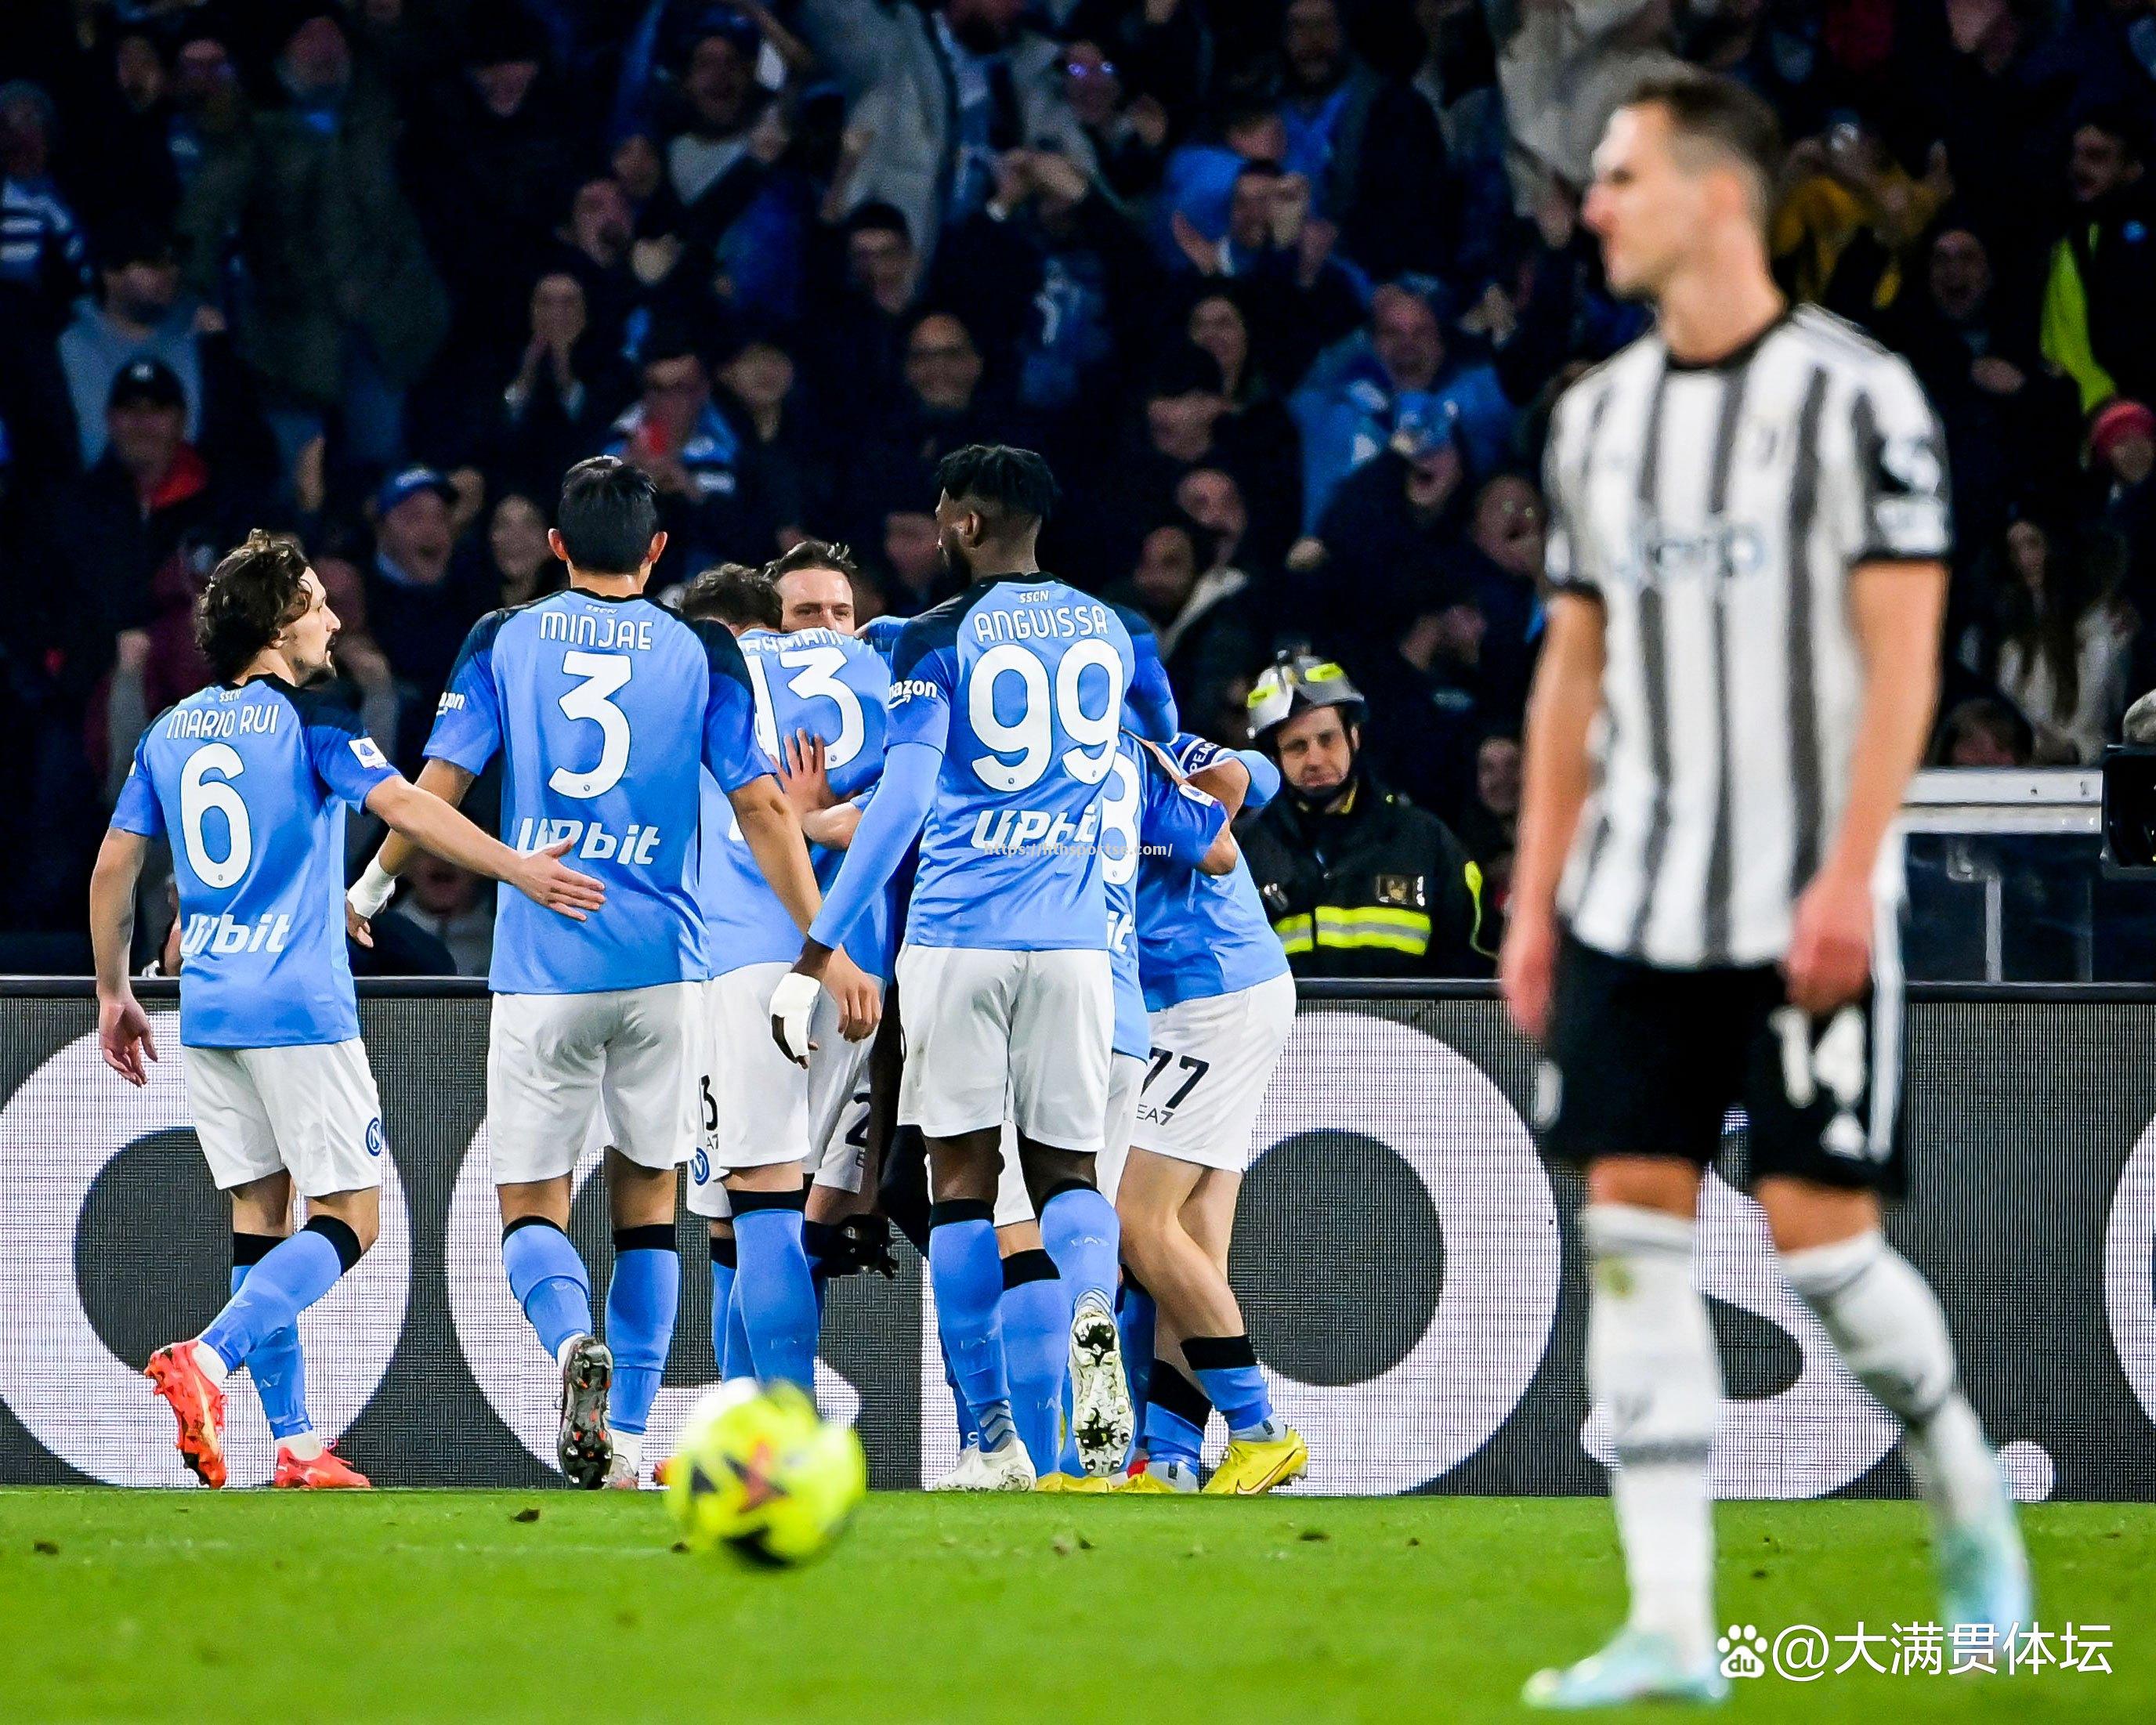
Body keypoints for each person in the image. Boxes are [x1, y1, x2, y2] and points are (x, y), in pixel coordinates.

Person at [1500, 73, 2030, 1707]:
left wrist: (1847, 871)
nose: (1590, 204)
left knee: (1818, 1248)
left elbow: (1898, 659)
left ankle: (1960, 1500)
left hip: (1796, 891)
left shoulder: (1853, 397)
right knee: (1629, 1240)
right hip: (1631, 895)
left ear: (1713, 198)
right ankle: (1668, 1627)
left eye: (1617, 176)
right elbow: (1568, 672)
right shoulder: (1598, 417)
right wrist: (1533, 899)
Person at [346, 458, 878, 1488]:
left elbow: (436, 785)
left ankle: (567, 1348)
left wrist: (371, 889)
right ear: (656, 551)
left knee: (533, 1211)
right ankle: (624, 1432)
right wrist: (828, 941)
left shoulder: (505, 638)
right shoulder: (704, 648)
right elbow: (768, 811)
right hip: (669, 973)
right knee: (649, 1209)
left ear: (553, 548)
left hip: (545, 966)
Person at [92, 530, 602, 1491]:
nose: (332, 617)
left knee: (260, 1214)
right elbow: (408, 808)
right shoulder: (314, 718)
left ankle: (289, 1447)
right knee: (353, 1220)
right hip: (296, 1007)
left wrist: (116, 990)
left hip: (210, 1005)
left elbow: (115, 866)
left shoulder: (172, 729)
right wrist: (517, 867)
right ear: (280, 626)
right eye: (318, 602)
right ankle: (207, 1358)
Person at [771, 445, 1136, 1491]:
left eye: (941, 509)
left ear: (969, 523)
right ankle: (1093, 1314)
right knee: (1070, 1174)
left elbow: (907, 799)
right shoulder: (1107, 630)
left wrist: (818, 945)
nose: (933, 522)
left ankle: (989, 1441)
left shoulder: (938, 640)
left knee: (965, 1185)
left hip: (962, 934)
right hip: (1075, 943)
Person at [677, 544, 892, 1409]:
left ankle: (783, 1424)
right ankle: (744, 1413)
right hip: (860, 972)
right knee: (779, 1219)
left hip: (743, 960)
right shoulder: (878, 666)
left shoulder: (702, 677)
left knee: (755, 1212)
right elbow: (933, 791)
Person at [1116, 731, 1304, 1496]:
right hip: (1184, 1001)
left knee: (1137, 1219)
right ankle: (1168, 1455)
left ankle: (1261, 1431)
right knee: (1190, 1239)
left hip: (1214, 992)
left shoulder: (1140, 752)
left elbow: (1243, 772)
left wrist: (1193, 825)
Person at [1238, 654, 1491, 978]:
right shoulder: (1243, 852)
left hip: (1407, 1030)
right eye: (1297, 747)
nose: (1314, 758)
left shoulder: (1427, 842)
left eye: (1327, 740)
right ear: (1274, 757)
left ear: (1353, 736)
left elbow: (1481, 971)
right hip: (1289, 1030)